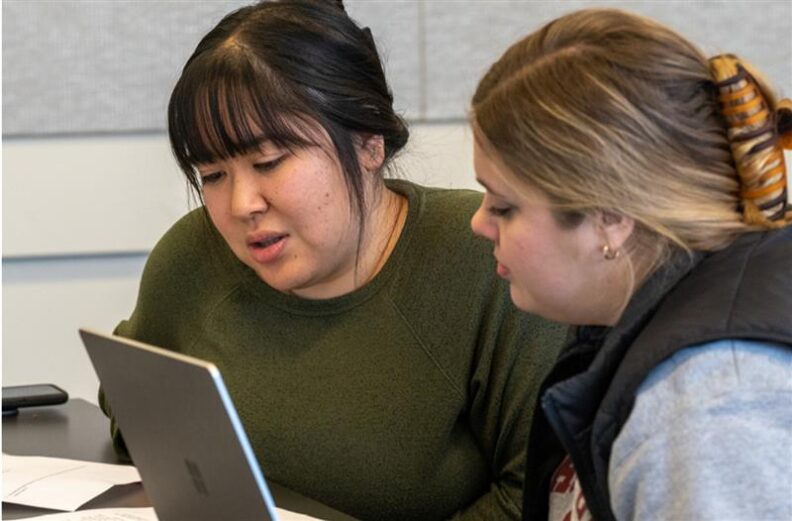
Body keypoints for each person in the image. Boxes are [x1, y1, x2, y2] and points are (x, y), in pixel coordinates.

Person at [99, 1, 566, 520]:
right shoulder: (192, 257)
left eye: (269, 162)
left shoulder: (490, 261)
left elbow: (537, 496)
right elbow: (129, 408)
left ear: (369, 142)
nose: (241, 205)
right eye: (212, 175)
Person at [469, 8, 792, 521]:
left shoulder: (710, 410)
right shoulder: (649, 328)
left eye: (504, 206)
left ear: (611, 219)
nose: (479, 223)